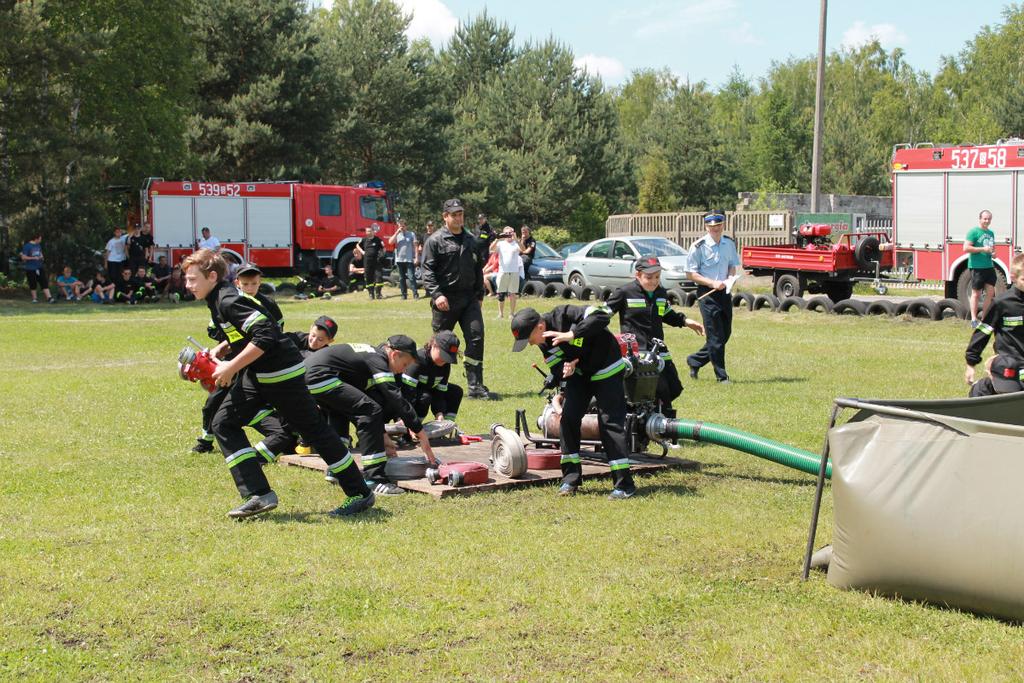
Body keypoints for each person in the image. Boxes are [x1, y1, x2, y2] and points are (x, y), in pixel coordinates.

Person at [183, 249, 374, 518]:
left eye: (192, 279)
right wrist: (223, 350)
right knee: (223, 423)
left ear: (212, 276)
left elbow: (267, 333)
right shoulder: (217, 298)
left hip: (280, 373)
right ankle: (258, 494)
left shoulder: (226, 299)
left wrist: (231, 367)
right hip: (258, 374)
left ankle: (360, 494)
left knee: (315, 431)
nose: (187, 285)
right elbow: (246, 332)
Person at [510, 305, 637, 499]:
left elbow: (602, 317)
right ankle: (570, 479)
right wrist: (565, 369)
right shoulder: (544, 343)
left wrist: (571, 334)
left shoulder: (565, 313)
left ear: (540, 327)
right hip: (581, 376)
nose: (529, 344)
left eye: (528, 339)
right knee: (568, 419)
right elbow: (557, 367)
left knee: (609, 423)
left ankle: (624, 484)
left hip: (607, 367)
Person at [304, 335, 439, 496]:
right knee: (370, 410)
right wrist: (420, 431)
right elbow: (394, 396)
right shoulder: (378, 360)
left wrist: (382, 435)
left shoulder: (370, 357)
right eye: (405, 364)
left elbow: (364, 402)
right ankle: (375, 479)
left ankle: (338, 470)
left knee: (342, 412)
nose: (404, 369)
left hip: (311, 377)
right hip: (320, 376)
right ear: (394, 354)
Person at [192, 262, 288, 454]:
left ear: (260, 282)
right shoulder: (229, 302)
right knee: (214, 402)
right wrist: (222, 347)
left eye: (254, 283)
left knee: (264, 403)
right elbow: (218, 331)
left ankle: (287, 437)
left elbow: (272, 336)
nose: (250, 288)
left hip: (260, 363)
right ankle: (205, 441)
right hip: (235, 363)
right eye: (245, 284)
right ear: (237, 283)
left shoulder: (268, 305)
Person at [606, 257, 705, 418]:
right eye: (649, 277)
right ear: (638, 275)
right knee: (649, 390)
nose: (654, 281)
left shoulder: (661, 293)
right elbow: (604, 313)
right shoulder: (624, 292)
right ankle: (651, 428)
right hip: (636, 352)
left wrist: (686, 321)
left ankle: (661, 424)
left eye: (657, 277)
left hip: (657, 349)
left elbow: (666, 313)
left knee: (672, 387)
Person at [421, 198, 493, 400]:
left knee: (476, 338)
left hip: (469, 299)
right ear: (445, 216)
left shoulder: (471, 239)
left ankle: (475, 386)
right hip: (445, 300)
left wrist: (480, 294)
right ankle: (432, 384)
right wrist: (436, 294)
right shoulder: (435, 240)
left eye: (461, 213)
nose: (459, 217)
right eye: (454, 214)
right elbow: (427, 271)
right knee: (441, 343)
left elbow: (477, 268)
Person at [685, 210, 740, 384]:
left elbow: (732, 265)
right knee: (715, 336)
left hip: (724, 292)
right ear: (706, 226)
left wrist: (730, 278)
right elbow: (690, 274)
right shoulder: (698, 246)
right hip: (707, 295)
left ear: (723, 225)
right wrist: (711, 283)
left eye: (718, 226)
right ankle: (722, 377)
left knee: (725, 334)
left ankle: (695, 360)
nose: (715, 229)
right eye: (711, 226)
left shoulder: (729, 244)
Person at [965, 254, 1024, 396]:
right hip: (1009, 365)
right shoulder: (1001, 303)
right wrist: (971, 363)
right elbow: (983, 332)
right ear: (1013, 277)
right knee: (1003, 399)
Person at [400, 330, 463, 423]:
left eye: (448, 357)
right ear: (434, 345)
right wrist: (406, 418)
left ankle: (447, 426)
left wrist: (439, 412)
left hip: (428, 389)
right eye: (443, 355)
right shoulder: (418, 360)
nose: (444, 361)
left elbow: (440, 392)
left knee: (456, 392)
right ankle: (412, 427)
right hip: (409, 393)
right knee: (425, 397)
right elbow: (406, 392)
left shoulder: (445, 365)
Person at [965, 209, 997, 327]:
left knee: (990, 293)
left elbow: (992, 249)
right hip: (977, 267)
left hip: (989, 266)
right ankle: (973, 319)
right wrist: (982, 249)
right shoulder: (973, 232)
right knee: (976, 294)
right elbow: (966, 248)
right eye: (985, 218)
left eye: (989, 219)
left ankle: (984, 319)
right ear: (980, 219)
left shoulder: (991, 233)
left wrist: (993, 254)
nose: (987, 221)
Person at [389, 218, 419, 300]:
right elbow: (390, 242)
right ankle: (404, 295)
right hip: (399, 260)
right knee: (401, 278)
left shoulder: (411, 234)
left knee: (411, 277)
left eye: (403, 226)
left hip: (409, 259)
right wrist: (396, 232)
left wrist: (416, 257)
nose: (401, 228)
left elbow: (416, 246)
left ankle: (415, 294)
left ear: (406, 226)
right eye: (400, 226)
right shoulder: (397, 235)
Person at [495, 227, 521, 319]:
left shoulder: (516, 243)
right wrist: (498, 238)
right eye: (506, 233)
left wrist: (517, 239)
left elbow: (523, 250)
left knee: (513, 293)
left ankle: (512, 313)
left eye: (510, 233)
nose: (509, 234)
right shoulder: (500, 243)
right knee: (501, 293)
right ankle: (500, 314)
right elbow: (491, 249)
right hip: (503, 271)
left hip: (514, 272)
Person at [20, 235, 55, 303]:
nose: (40, 241)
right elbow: (23, 258)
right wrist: (33, 258)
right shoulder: (27, 246)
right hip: (30, 268)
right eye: (40, 239)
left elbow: (40, 254)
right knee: (33, 283)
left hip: (39, 267)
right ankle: (35, 299)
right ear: (35, 239)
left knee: (44, 282)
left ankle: (49, 298)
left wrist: (42, 257)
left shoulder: (38, 245)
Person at [354, 223, 384, 300]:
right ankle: (371, 294)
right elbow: (357, 245)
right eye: (367, 231)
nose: (368, 232)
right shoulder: (364, 239)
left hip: (376, 261)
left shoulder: (377, 239)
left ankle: (378, 293)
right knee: (368, 277)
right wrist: (362, 251)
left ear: (373, 231)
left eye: (370, 231)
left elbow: (383, 248)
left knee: (379, 277)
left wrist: (382, 254)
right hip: (367, 261)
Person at [519, 225, 536, 291]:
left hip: (528, 257)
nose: (524, 234)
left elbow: (527, 251)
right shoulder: (521, 240)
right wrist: (522, 240)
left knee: (522, 266)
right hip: (520, 257)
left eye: (525, 232)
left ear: (529, 232)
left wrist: (522, 251)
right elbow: (519, 249)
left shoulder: (532, 240)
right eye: (523, 232)